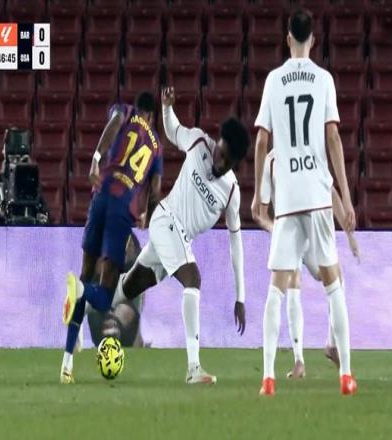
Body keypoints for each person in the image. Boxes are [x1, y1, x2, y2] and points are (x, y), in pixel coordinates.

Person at [251, 8, 357, 396]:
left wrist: (260, 193)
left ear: (287, 39)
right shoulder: (324, 79)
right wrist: (346, 196)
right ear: (313, 39)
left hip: (289, 195)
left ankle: (267, 378)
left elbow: (262, 141)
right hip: (316, 192)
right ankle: (346, 375)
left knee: (276, 288)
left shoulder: (274, 80)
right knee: (333, 282)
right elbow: (333, 138)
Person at [114, 86, 250, 385]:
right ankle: (193, 368)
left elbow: (236, 243)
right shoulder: (199, 141)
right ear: (217, 142)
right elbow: (174, 130)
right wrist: (166, 107)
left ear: (235, 164)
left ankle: (84, 299)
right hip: (165, 219)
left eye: (227, 161)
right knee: (193, 279)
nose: (219, 162)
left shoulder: (231, 193)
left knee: (129, 288)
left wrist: (240, 297)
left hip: (178, 239)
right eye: (220, 153)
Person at [60, 92, 163, 383]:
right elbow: (155, 191)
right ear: (152, 115)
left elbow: (114, 122)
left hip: (101, 195)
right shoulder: (156, 146)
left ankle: (67, 364)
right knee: (104, 296)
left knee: (84, 276)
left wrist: (96, 159)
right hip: (121, 207)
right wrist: (146, 214)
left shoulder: (125, 111)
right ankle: (81, 291)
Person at [254, 149, 360, 378]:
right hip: (290, 231)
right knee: (295, 281)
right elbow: (261, 214)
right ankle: (302, 359)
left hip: (307, 233)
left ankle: (326, 346)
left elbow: (330, 192)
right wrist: (276, 230)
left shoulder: (307, 151)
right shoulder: (272, 161)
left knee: (334, 277)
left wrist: (349, 234)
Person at [0, 148, 49, 225]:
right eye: (13, 159)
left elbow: (45, 213)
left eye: (20, 159)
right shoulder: (0, 182)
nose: (16, 162)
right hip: (7, 228)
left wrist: (43, 218)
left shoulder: (32, 182)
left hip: (29, 227)